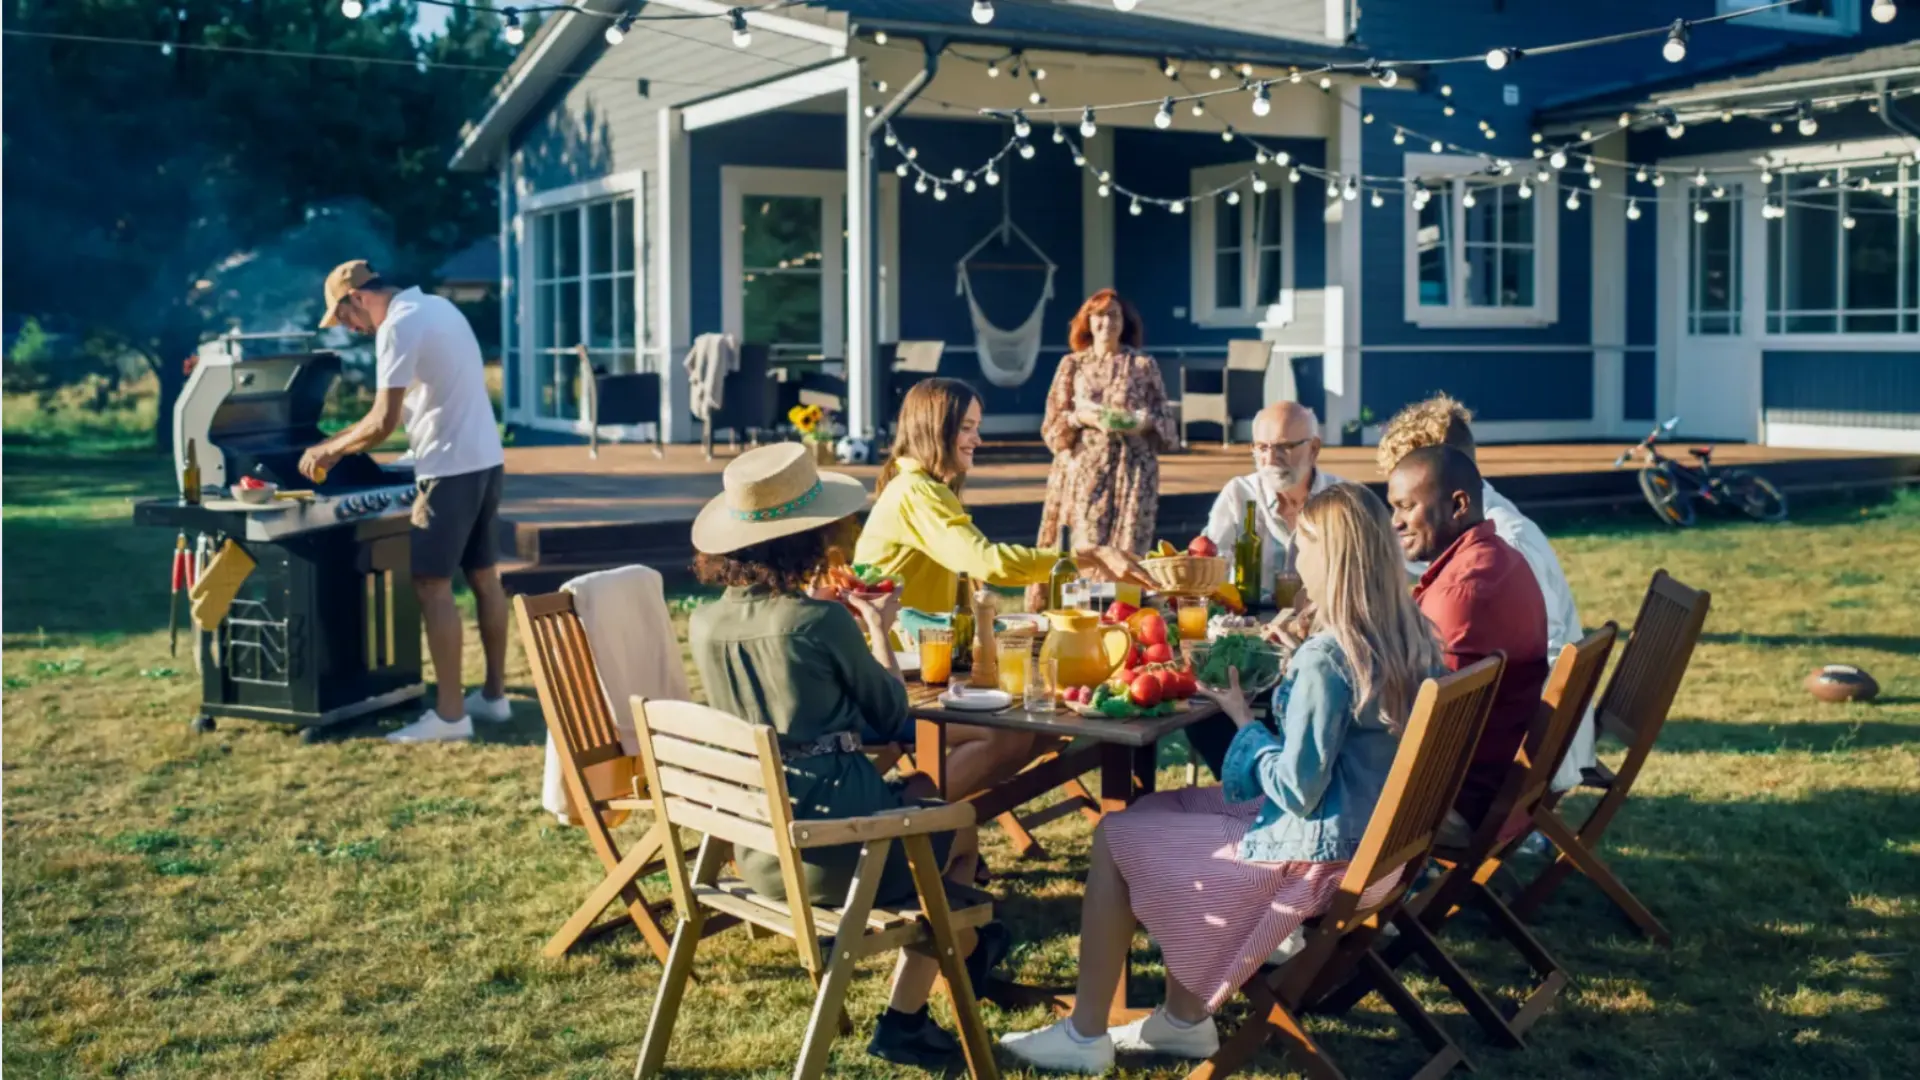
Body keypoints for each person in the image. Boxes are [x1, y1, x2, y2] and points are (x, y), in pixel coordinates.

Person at [997, 484, 1445, 1072]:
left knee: (1115, 833)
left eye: (1305, 546)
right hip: (1376, 853)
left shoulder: (1330, 657)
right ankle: (1183, 1020)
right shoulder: (1410, 634)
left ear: (1333, 558)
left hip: (1318, 861)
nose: (1296, 560)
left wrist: (1243, 720)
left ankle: (1085, 1036)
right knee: (1161, 810)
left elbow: (1297, 789)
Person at [687, 443, 1004, 1070]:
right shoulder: (816, 622)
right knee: (959, 830)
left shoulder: (703, 624)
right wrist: (878, 628)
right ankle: (920, 1002)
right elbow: (890, 715)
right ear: (808, 537)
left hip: (760, 852)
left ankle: (973, 951)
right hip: (838, 851)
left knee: (924, 798)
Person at [855, 377, 1155, 801]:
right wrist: (1077, 558)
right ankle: (904, 819)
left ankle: (942, 824)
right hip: (888, 679)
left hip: (926, 663)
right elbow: (987, 561)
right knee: (1011, 731)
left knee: (1039, 727)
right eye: (966, 428)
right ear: (933, 428)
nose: (977, 439)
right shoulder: (916, 493)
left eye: (976, 427)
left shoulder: (924, 487)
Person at [302, 259, 508, 744]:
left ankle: (451, 717)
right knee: (484, 577)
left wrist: (328, 450)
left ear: (357, 297)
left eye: (345, 317)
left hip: (448, 468)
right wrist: (341, 441)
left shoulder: (397, 326)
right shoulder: (439, 307)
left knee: (431, 584)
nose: (350, 328)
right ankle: (494, 698)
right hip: (486, 458)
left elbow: (382, 422)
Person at [1376, 393, 1590, 790]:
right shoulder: (1475, 538)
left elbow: (1548, 655)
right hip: (1499, 748)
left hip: (1518, 757)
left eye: (1408, 500)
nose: (1396, 520)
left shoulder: (1504, 544)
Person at [1185, 401, 1349, 779]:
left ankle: (1270, 782)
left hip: (1320, 646)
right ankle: (1250, 786)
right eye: (1262, 447)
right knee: (1203, 706)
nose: (1271, 458)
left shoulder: (1342, 498)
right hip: (1251, 641)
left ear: (1314, 448)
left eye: (1285, 447)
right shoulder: (1239, 494)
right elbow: (1208, 569)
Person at [1387, 445, 1549, 823]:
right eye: (1393, 508)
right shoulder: (1499, 557)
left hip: (1455, 800)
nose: (1395, 523)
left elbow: (1428, 727)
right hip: (1496, 778)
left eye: (1406, 507)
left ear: (1458, 505)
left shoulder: (1460, 592)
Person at [1028, 289, 1177, 611]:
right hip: (1085, 473)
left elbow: (1166, 421)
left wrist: (1142, 422)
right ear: (1087, 322)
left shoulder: (1142, 365)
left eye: (1114, 315)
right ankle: (1078, 617)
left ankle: (1123, 618)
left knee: (1127, 549)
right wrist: (1080, 417)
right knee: (1086, 546)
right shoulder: (1072, 365)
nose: (1106, 322)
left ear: (1125, 322)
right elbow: (1052, 425)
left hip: (1132, 472)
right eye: (1099, 315)